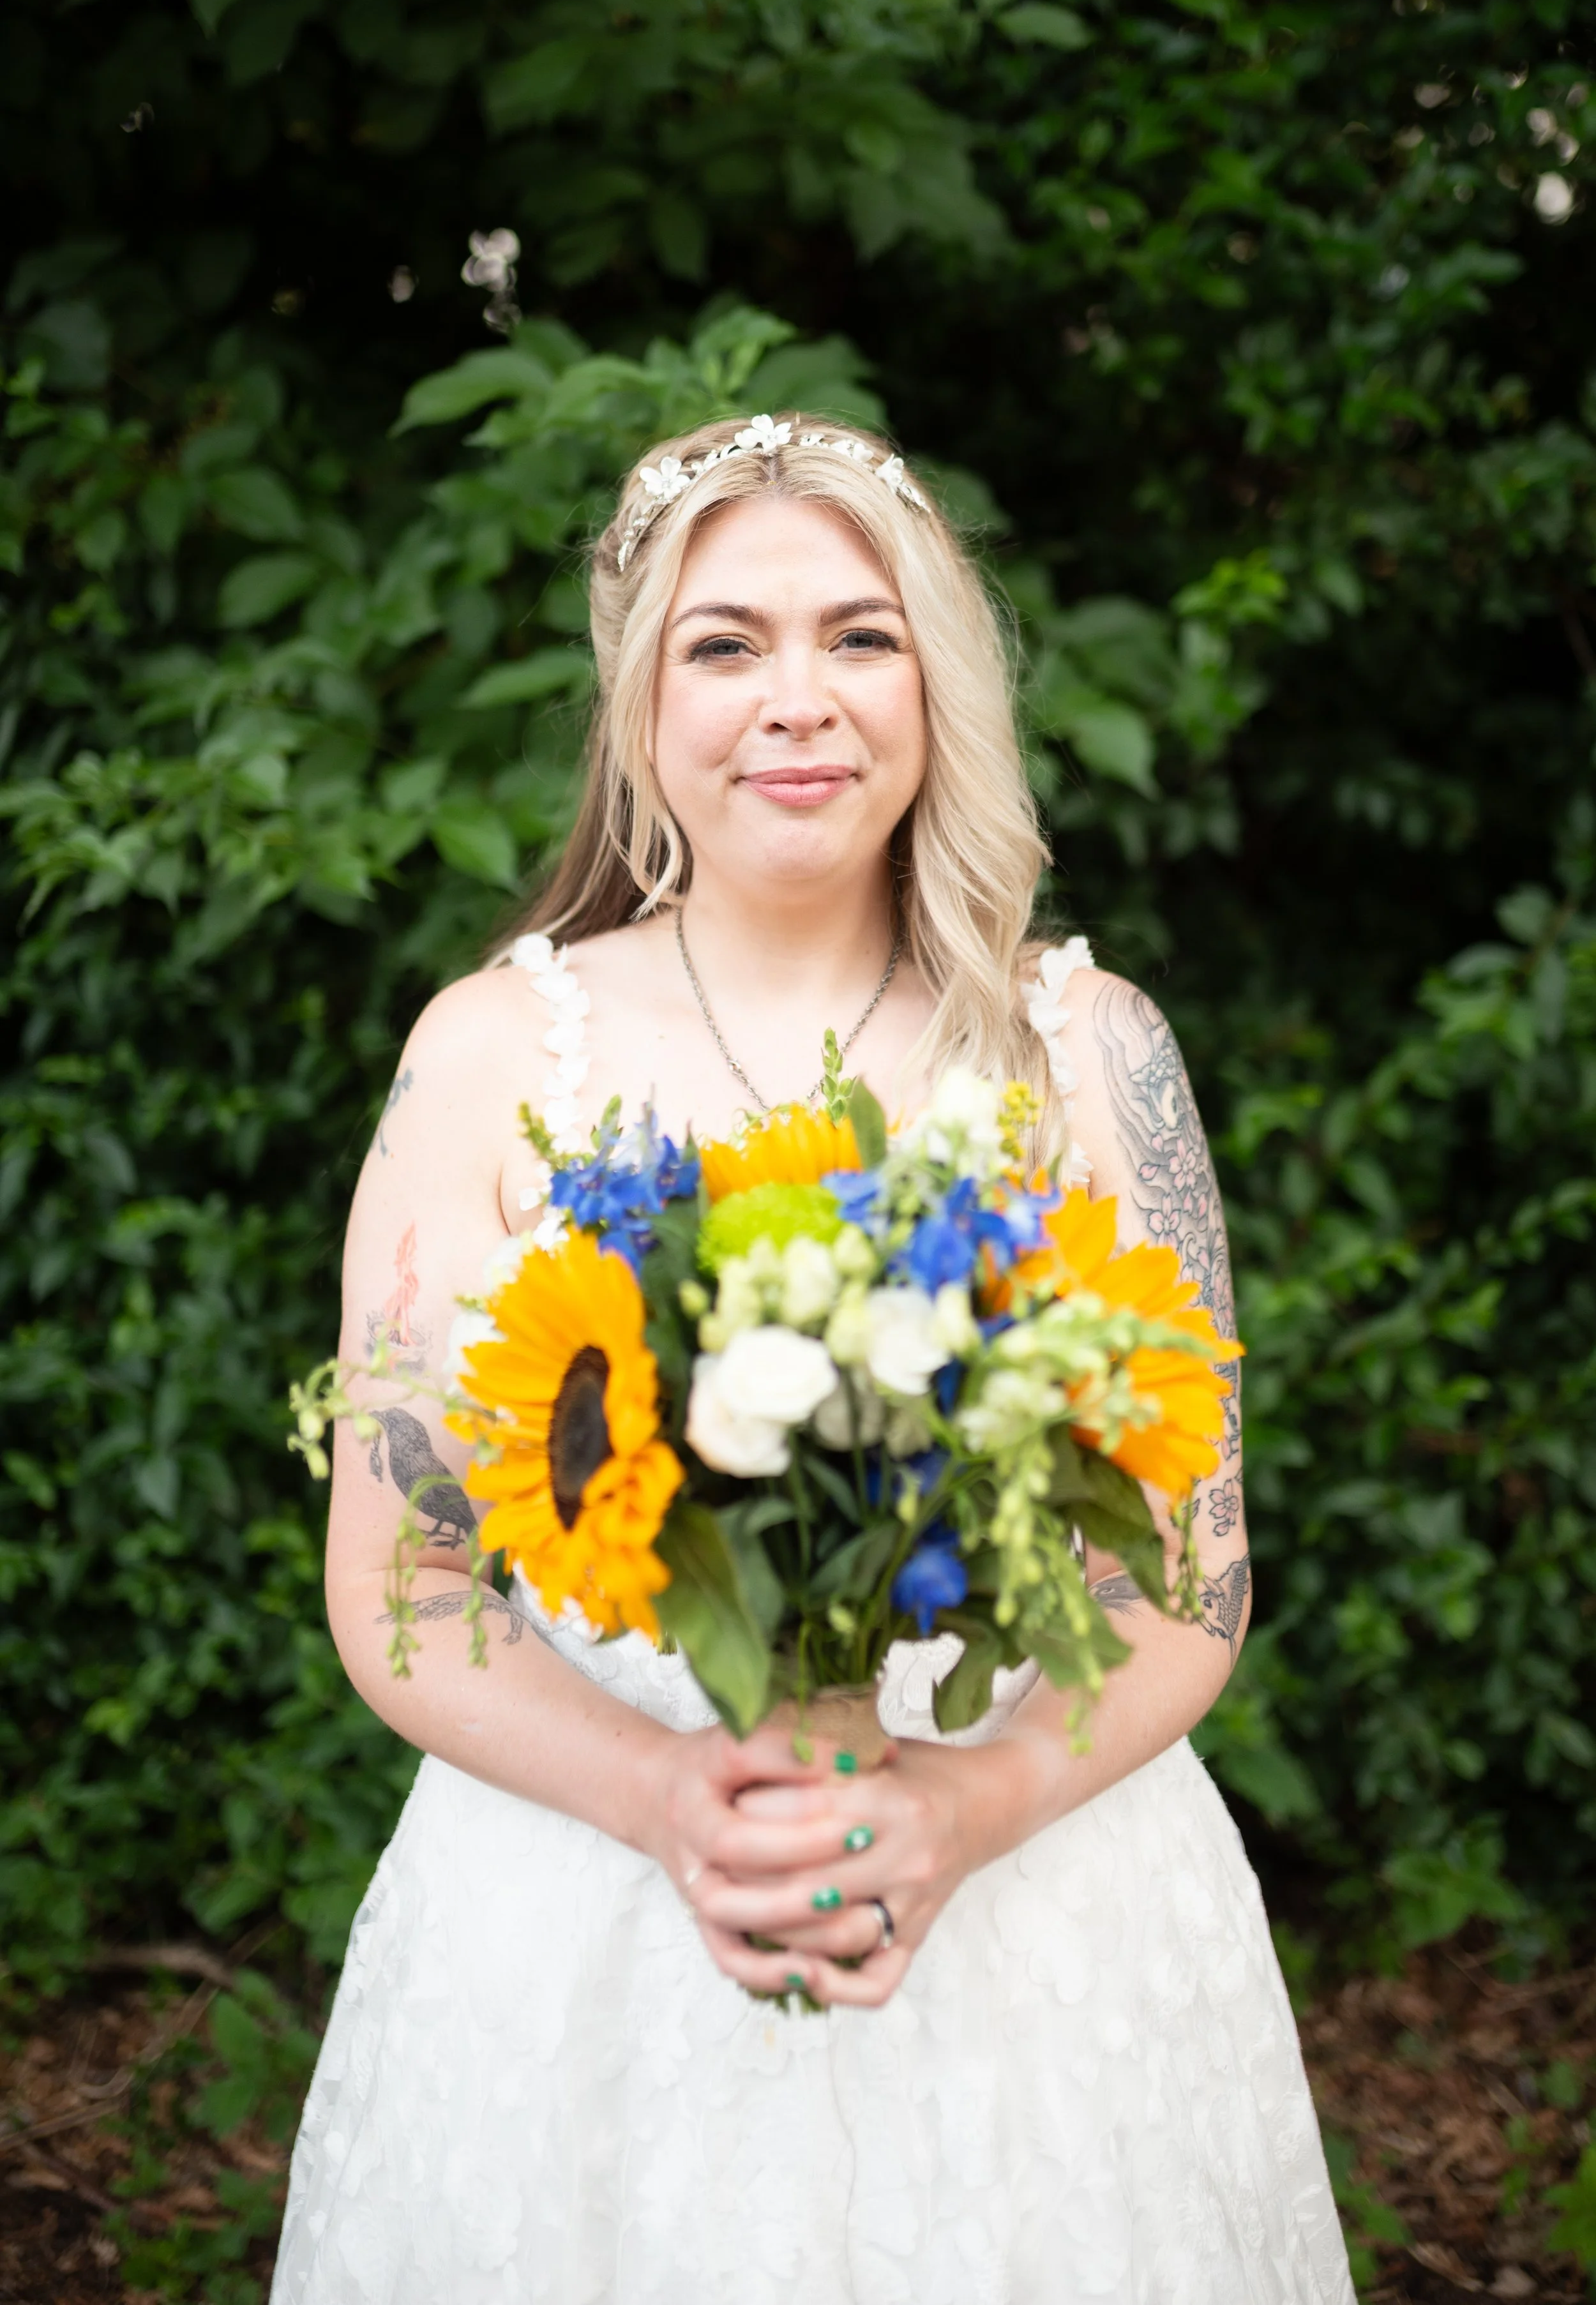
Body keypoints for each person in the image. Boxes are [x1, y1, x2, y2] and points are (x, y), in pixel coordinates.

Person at [271, 414, 1353, 2303]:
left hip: (1036, 1917)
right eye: (724, 643)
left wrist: (962, 1804)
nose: (800, 699)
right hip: (581, 1922)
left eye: (861, 635)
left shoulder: (1083, 1053)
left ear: (937, 681)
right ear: (635, 708)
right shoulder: (486, 1058)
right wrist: (672, 1802)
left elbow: (1186, 1571)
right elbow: (402, 1578)